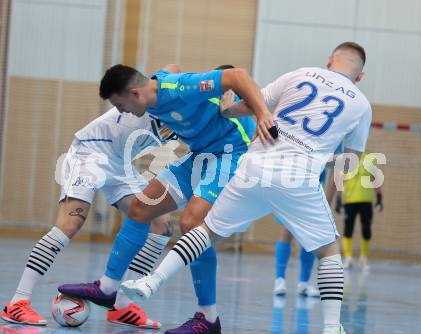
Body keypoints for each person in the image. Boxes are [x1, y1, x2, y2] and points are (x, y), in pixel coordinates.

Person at [121, 42, 372, 334]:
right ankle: (331, 328)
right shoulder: (361, 104)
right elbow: (351, 162)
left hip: (255, 166)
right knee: (328, 251)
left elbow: (249, 105)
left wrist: (226, 111)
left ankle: (151, 281)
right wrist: (327, 158)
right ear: (360, 76)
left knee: (205, 231)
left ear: (330, 60)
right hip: (299, 177)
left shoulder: (301, 74)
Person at [58, 63, 274, 334]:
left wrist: (264, 113)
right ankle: (108, 287)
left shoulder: (180, 89)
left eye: (120, 105)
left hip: (229, 154)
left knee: (192, 224)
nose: (121, 112)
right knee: (140, 207)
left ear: (135, 94)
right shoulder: (152, 93)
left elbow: (236, 75)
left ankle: (208, 318)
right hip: (198, 154)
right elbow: (170, 67)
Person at [1, 102, 176, 329]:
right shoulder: (180, 91)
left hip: (120, 163)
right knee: (71, 223)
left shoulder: (199, 121)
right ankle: (17, 302)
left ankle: (122, 306)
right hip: (89, 154)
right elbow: (171, 68)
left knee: (160, 222)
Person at [273, 144, 343, 297]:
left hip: (313, 189)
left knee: (310, 237)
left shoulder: (336, 136)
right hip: (292, 185)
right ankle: (280, 280)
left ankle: (302, 283)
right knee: (287, 232)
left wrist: (328, 202)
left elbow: (338, 166)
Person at [335, 151, 383, 270]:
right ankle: (348, 258)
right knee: (348, 229)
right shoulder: (347, 160)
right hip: (350, 201)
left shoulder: (370, 159)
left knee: (366, 228)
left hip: (366, 201)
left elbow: (375, 179)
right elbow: (341, 180)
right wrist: (338, 199)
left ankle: (364, 258)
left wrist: (379, 197)